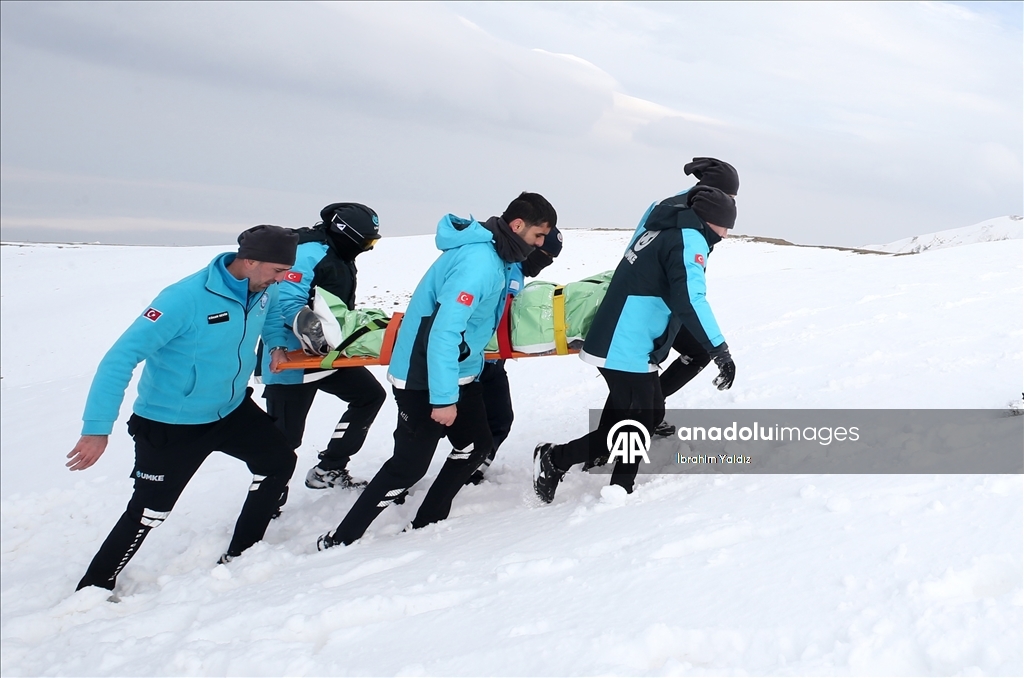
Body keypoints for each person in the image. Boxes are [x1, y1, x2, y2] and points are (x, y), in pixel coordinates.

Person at [67, 225, 300, 592]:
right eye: (277, 270)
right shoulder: (184, 299)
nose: (282, 279)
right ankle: (95, 586)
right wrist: (97, 428)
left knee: (279, 462)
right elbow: (119, 359)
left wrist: (276, 345)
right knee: (149, 512)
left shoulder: (264, 288)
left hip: (231, 409)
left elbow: (270, 318)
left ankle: (243, 551)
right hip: (172, 423)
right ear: (250, 260)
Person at [318, 192, 556, 549]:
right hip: (422, 378)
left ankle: (427, 520)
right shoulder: (479, 263)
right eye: (539, 235)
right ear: (518, 225)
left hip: (459, 372)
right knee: (408, 468)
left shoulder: (499, 257)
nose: (539, 244)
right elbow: (443, 333)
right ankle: (341, 539)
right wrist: (443, 399)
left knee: (476, 446)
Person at [533, 186, 737, 503]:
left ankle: (617, 484)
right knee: (639, 422)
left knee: (648, 416)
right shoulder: (688, 240)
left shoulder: (665, 227)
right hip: (624, 341)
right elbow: (691, 299)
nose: (725, 235)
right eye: (725, 226)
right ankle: (557, 459)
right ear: (710, 220)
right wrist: (719, 351)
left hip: (628, 337)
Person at [260, 203, 386, 494]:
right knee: (284, 439)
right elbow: (285, 302)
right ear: (346, 234)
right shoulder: (308, 253)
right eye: (367, 243)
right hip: (290, 358)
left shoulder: (339, 253)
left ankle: (329, 468)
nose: (367, 249)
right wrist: (313, 333)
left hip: (327, 355)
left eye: (373, 243)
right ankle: (268, 500)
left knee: (369, 396)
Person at [465, 224, 563, 485]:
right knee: (443, 426)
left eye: (551, 259)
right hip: (471, 360)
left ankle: (473, 469)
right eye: (545, 254)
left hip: (493, 360)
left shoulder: (518, 271)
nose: (546, 262)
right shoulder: (502, 267)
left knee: (500, 420)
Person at [653, 158, 739, 436]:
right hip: (653, 304)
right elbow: (691, 296)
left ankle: (652, 405)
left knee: (696, 351)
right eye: (730, 196)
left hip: (664, 300)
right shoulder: (687, 225)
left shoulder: (677, 208)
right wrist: (721, 352)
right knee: (638, 370)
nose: (731, 203)